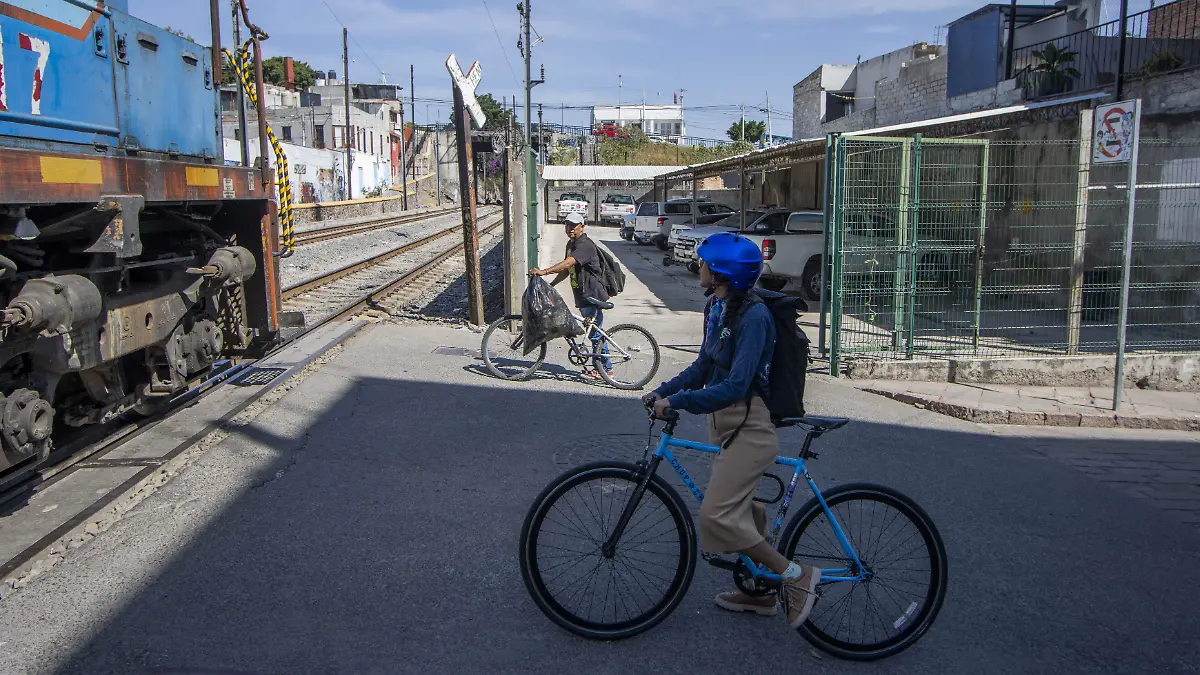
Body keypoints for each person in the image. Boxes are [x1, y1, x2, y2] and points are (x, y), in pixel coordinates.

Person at [641, 232, 821, 630]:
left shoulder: (754, 317)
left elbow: (738, 386)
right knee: (745, 513)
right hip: (726, 424)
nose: (699, 265)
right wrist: (662, 390)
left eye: (705, 261)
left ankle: (796, 576)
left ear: (721, 272)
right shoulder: (717, 307)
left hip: (751, 425)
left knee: (717, 516)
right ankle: (760, 594)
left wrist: (680, 403)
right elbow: (702, 369)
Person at [529, 212, 613, 378]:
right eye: (567, 225)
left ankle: (606, 368)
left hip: (592, 294)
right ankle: (600, 367)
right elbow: (567, 270)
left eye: (574, 225)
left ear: (582, 226)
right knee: (594, 333)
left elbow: (568, 263)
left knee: (596, 334)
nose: (570, 229)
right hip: (582, 295)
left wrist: (544, 272)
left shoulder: (585, 245)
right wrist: (551, 285)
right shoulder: (571, 244)